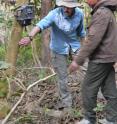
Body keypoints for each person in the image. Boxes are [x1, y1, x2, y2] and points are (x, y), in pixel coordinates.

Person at [19, 0, 86, 109]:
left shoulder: (79, 14)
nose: (65, 9)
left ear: (74, 6)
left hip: (74, 45)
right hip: (58, 48)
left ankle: (94, 97)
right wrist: (30, 37)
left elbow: (82, 33)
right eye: (63, 6)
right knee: (62, 76)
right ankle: (66, 103)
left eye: (68, 7)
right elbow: (41, 25)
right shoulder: (55, 13)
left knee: (87, 69)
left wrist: (85, 49)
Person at [69, 0, 117, 124]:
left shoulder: (101, 13)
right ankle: (112, 119)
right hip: (108, 57)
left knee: (88, 88)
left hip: (101, 58)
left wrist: (78, 60)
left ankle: (88, 119)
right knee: (109, 89)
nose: (85, 1)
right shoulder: (107, 11)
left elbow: (92, 40)